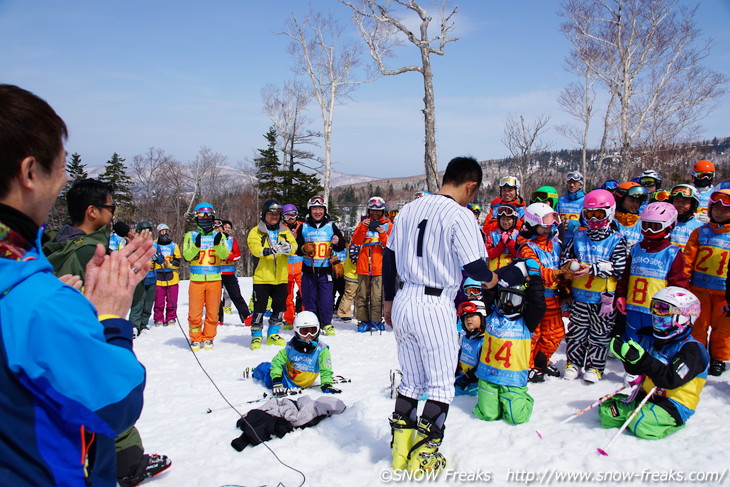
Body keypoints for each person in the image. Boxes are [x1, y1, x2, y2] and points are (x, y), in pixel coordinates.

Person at [0, 84, 157, 486]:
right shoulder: (34, 302)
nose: (65, 177)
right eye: (61, 163)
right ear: (30, 172)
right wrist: (105, 319)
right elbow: (116, 400)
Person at [382, 156, 498, 472]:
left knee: (411, 381)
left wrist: (388, 301)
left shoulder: (410, 207)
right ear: (470, 185)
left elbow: (389, 255)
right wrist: (493, 279)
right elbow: (475, 267)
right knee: (441, 385)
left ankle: (400, 451)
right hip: (434, 303)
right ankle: (423, 456)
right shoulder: (459, 215)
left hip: (404, 298)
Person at [600, 287, 709, 439]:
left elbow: (670, 380)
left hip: (674, 405)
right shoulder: (651, 338)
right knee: (608, 412)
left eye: (663, 309)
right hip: (647, 396)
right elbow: (639, 368)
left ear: (684, 316)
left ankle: (671, 423)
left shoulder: (693, 350)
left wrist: (643, 359)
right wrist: (626, 356)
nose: (657, 314)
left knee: (641, 423)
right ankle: (638, 412)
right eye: (655, 307)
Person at [560, 189, 628, 383]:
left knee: (600, 334)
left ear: (609, 213)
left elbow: (620, 267)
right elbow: (564, 258)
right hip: (580, 296)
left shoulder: (616, 239)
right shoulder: (578, 237)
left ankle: (595, 367)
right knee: (576, 332)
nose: (594, 219)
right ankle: (573, 363)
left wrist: (592, 268)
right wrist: (570, 265)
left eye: (599, 214)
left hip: (604, 299)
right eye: (589, 214)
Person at [473, 260, 546, 424]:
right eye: (505, 298)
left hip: (511, 379)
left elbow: (538, 303)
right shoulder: (492, 312)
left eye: (514, 300)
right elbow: (489, 289)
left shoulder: (526, 321)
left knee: (516, 417)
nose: (508, 304)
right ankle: (495, 400)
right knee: (487, 414)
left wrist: (534, 277)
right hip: (488, 376)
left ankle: (520, 398)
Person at [615, 202, 688, 343]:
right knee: (632, 343)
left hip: (658, 312)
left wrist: (675, 308)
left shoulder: (672, 254)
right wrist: (621, 295)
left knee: (654, 345)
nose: (649, 231)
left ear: (669, 226)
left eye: (655, 227)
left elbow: (678, 284)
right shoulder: (636, 249)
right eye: (646, 225)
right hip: (633, 308)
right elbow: (625, 276)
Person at [517, 203, 573, 382]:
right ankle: (527, 365)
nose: (550, 226)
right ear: (533, 223)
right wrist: (558, 274)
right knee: (533, 335)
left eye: (552, 221)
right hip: (535, 299)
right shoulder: (527, 247)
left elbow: (560, 264)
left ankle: (541, 361)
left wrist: (565, 284)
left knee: (555, 333)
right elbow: (537, 272)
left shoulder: (555, 244)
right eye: (545, 223)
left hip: (553, 298)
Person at [683, 188, 730, 376]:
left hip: (724, 293)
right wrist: (684, 282)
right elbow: (688, 258)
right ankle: (698, 354)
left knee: (723, 329)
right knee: (698, 326)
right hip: (699, 289)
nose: (719, 212)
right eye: (716, 207)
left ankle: (718, 357)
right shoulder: (700, 232)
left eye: (725, 209)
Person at [247, 199, 298, 350]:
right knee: (259, 309)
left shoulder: (284, 231)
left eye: (277, 214)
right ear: (264, 214)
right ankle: (256, 335)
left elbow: (294, 245)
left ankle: (273, 333)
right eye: (271, 214)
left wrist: (289, 248)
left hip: (281, 277)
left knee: (279, 307)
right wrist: (267, 251)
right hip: (262, 277)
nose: (274, 217)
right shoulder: (256, 231)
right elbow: (254, 247)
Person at [252, 311, 341, 395]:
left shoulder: (321, 350)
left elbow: (326, 369)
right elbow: (277, 361)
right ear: (297, 331)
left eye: (312, 330)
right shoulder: (291, 347)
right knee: (266, 370)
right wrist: (277, 380)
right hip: (285, 379)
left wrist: (326, 384)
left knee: (271, 369)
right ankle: (255, 370)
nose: (308, 335)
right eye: (304, 331)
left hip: (301, 382)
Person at [295, 195, 346, 336]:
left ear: (324, 210)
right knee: (309, 299)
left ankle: (327, 324)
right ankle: (313, 325)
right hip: (309, 270)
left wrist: (337, 241)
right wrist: (304, 248)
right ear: (310, 210)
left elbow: (341, 246)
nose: (317, 212)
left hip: (326, 271)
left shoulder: (331, 225)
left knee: (326, 299)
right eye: (314, 209)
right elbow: (296, 248)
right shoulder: (303, 227)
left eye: (320, 209)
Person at [43, 178, 115, 277]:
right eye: (111, 208)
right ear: (92, 211)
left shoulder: (54, 243)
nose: (112, 215)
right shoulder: (91, 255)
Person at [182, 202, 229, 352]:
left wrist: (218, 245)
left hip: (214, 279)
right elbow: (187, 256)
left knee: (212, 311)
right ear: (197, 218)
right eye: (202, 216)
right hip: (197, 279)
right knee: (195, 312)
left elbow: (224, 255)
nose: (205, 219)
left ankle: (209, 337)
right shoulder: (191, 235)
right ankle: (195, 338)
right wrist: (196, 246)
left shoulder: (219, 236)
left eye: (208, 216)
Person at [351, 196, 393, 332]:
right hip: (363, 265)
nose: (375, 213)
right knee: (362, 295)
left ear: (383, 211)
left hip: (379, 266)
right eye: (372, 210)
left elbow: (390, 245)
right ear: (368, 210)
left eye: (378, 211)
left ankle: (376, 320)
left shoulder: (388, 225)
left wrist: (382, 234)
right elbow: (356, 241)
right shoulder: (363, 223)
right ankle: (363, 321)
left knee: (377, 296)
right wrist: (363, 227)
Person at [217, 219, 251, 325]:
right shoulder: (214, 239)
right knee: (216, 297)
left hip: (229, 272)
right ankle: (218, 319)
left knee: (236, 295)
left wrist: (228, 257)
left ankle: (246, 317)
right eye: (225, 227)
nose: (227, 229)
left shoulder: (232, 240)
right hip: (216, 273)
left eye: (229, 228)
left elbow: (238, 255)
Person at [454, 300, 487, 397]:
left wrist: (466, 379)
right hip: (460, 376)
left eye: (472, 316)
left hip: (473, 383)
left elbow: (483, 367)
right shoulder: (464, 338)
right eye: (466, 318)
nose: (468, 319)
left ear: (482, 317)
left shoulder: (484, 341)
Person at [129, 221, 156, 334]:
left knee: (148, 303)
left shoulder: (154, 244)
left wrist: (159, 258)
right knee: (138, 303)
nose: (147, 233)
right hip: (139, 279)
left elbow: (159, 257)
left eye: (149, 231)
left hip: (152, 277)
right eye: (144, 231)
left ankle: (143, 324)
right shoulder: (134, 245)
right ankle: (134, 325)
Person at [152, 223, 181, 327]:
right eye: (163, 232)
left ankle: (171, 317)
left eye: (167, 231)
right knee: (159, 300)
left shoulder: (174, 245)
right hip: (158, 276)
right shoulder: (154, 245)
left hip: (171, 276)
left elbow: (177, 262)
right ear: (159, 233)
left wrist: (169, 264)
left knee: (172, 299)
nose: (165, 234)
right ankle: (158, 318)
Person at [282, 204, 304, 327]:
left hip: (301, 265)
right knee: (287, 296)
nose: (290, 218)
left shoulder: (302, 226)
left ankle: (306, 317)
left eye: (293, 215)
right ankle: (289, 319)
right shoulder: (281, 228)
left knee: (305, 293)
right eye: (287, 215)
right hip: (286, 266)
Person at [613, 182, 648, 248]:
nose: (635, 204)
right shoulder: (611, 221)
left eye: (638, 201)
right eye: (632, 200)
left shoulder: (642, 224)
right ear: (621, 200)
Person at [668, 184, 703, 250]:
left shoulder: (699, 226)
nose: (679, 205)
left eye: (684, 202)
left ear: (693, 204)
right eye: (677, 201)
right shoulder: (664, 223)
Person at [485, 203, 519, 270]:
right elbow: (487, 255)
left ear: (514, 220)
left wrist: (510, 243)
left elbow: (520, 255)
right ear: (499, 220)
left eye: (508, 219)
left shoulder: (518, 235)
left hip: (512, 271)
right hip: (494, 271)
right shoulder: (492, 235)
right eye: (503, 219)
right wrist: (500, 246)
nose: (506, 222)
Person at [556, 171, 585, 244]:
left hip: (578, 240)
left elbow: (586, 224)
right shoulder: (561, 200)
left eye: (575, 182)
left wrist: (571, 223)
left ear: (581, 185)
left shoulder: (585, 200)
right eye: (569, 182)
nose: (572, 185)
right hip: (561, 239)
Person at [336, 240, 360, 322]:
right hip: (352, 274)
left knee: (359, 296)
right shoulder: (355, 243)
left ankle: (359, 313)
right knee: (349, 294)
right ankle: (344, 313)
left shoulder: (361, 243)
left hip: (360, 274)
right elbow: (354, 259)